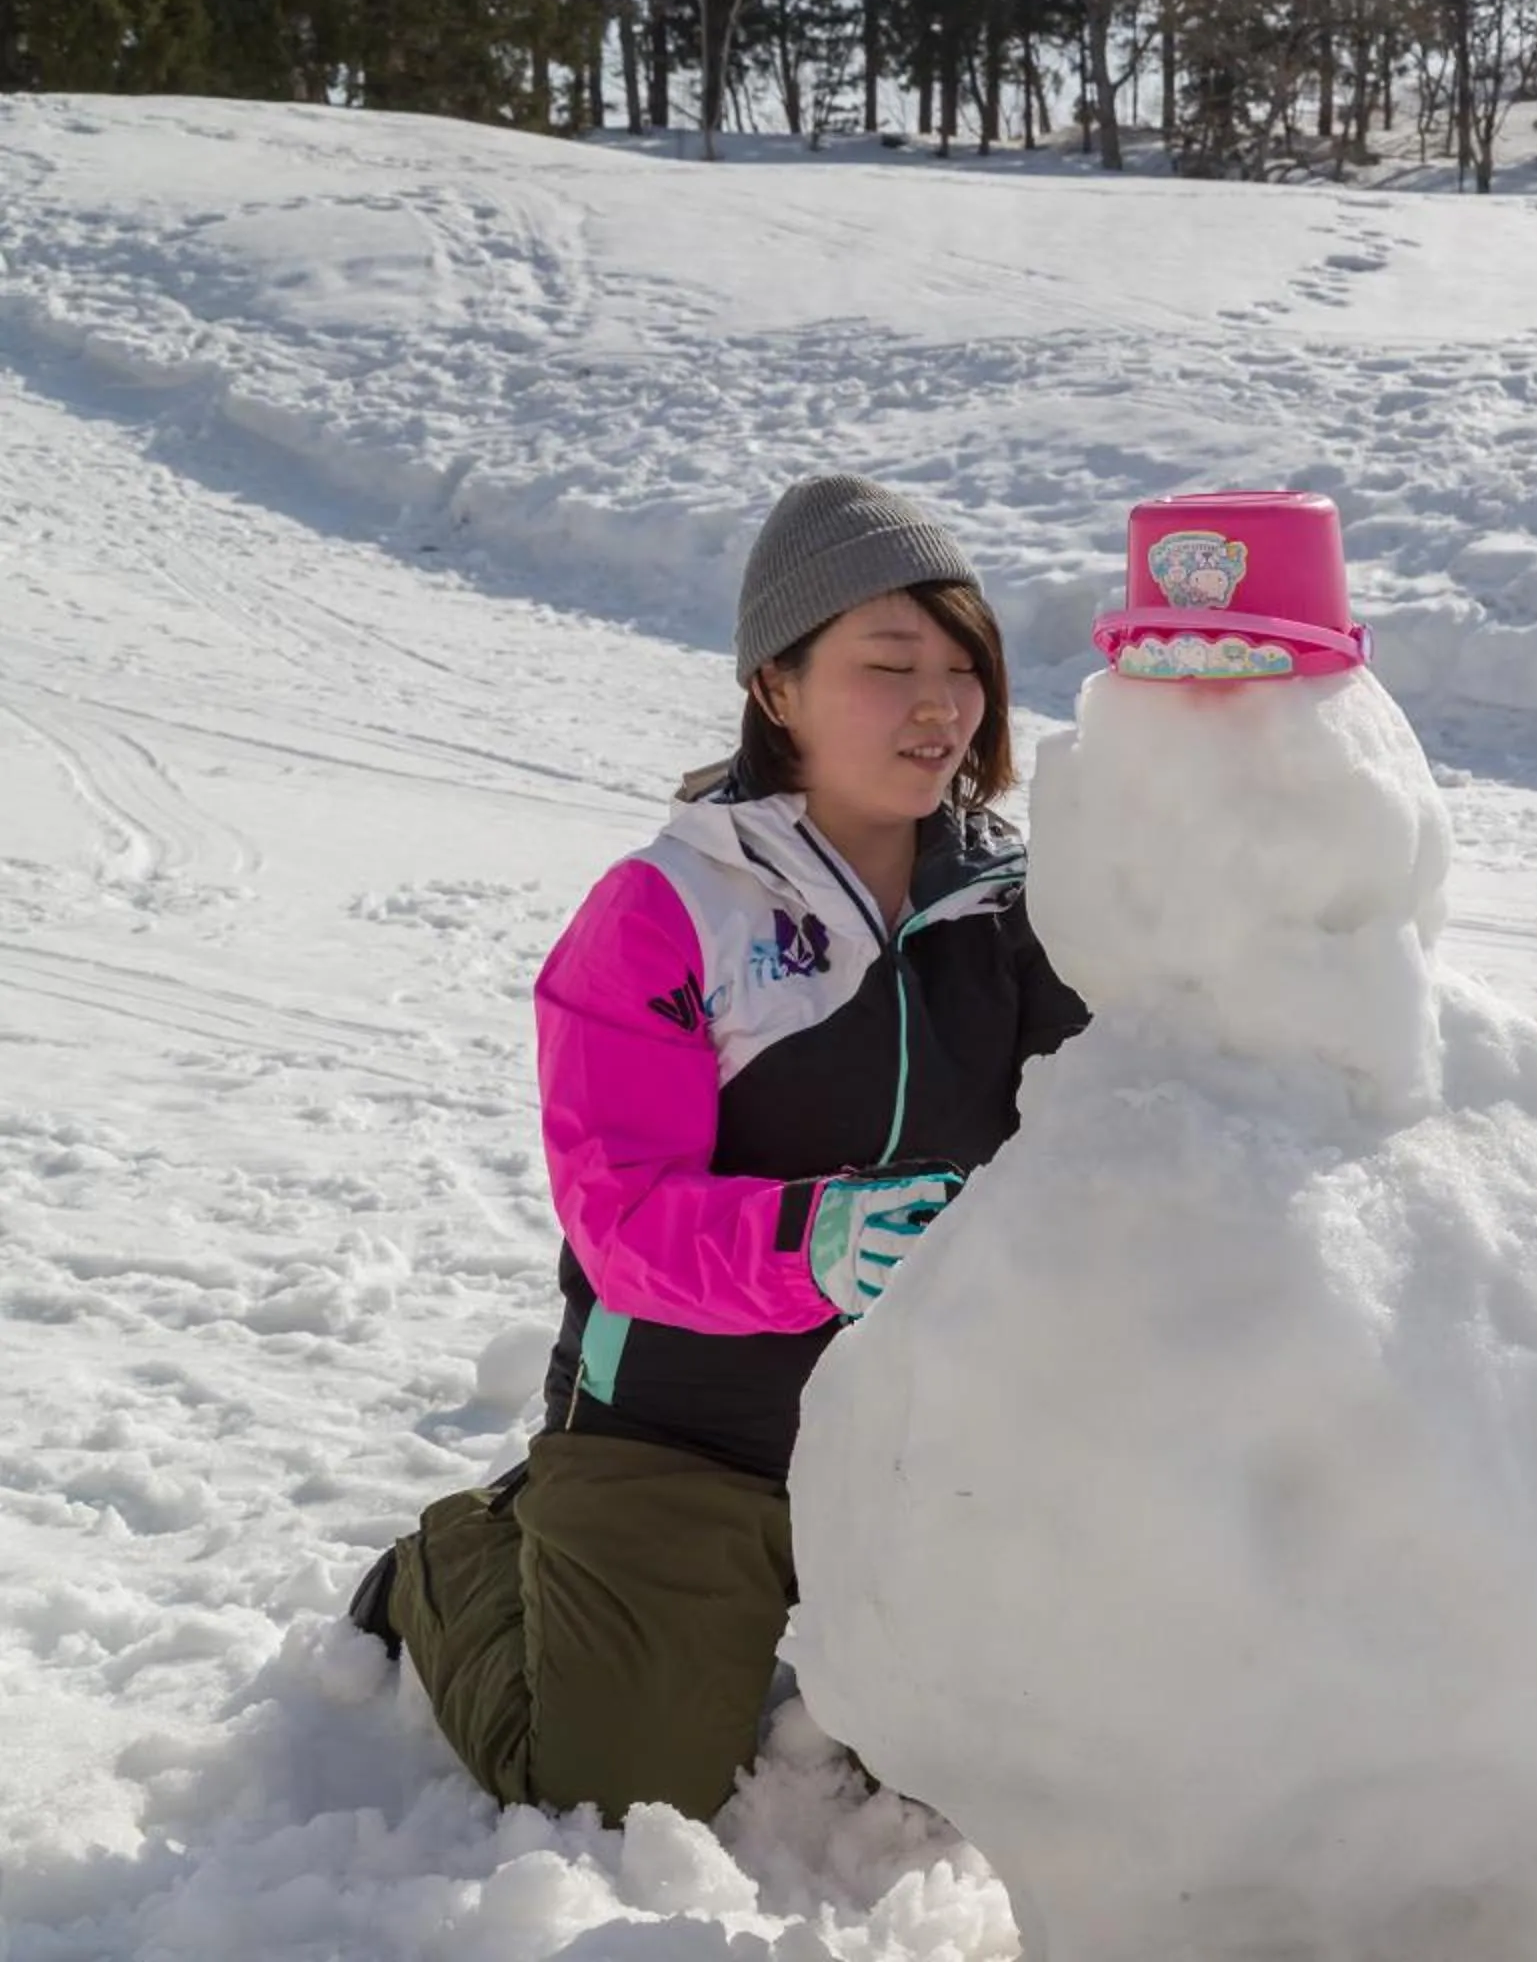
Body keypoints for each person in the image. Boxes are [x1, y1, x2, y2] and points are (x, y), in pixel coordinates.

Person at [343, 475, 1087, 1822]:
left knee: (1016, 1760)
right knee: (617, 1800)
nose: (941, 704)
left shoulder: (1013, 904)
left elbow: (1123, 1095)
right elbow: (621, 1219)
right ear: (777, 686)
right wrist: (820, 1243)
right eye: (888, 664)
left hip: (927, 1430)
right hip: (684, 1434)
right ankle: (455, 1560)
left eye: (963, 665)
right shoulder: (665, 910)